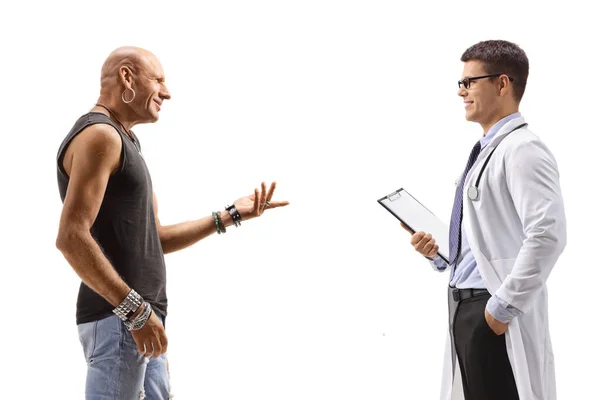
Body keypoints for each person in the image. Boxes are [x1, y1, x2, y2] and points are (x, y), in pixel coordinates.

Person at [55, 46, 289, 400]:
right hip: (121, 319)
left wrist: (231, 215)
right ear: (127, 77)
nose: (166, 92)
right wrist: (134, 312)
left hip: (141, 319)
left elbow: (155, 238)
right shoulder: (99, 135)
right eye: (159, 80)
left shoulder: (125, 140)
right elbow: (71, 238)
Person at [400, 40, 566, 400]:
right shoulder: (487, 150)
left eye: (470, 82)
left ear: (502, 84)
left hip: (492, 309)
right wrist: (439, 253)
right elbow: (487, 236)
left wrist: (499, 311)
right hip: (465, 304)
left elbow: (547, 235)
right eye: (461, 83)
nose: (461, 92)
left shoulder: (523, 150)